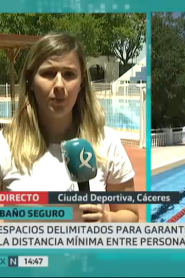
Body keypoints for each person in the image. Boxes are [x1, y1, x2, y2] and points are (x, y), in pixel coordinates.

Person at [0, 33, 139, 223]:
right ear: (30, 81)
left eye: (69, 74)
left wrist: (108, 218)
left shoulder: (107, 142)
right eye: (48, 73)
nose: (59, 85)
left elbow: (130, 215)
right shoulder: (5, 145)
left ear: (81, 82)